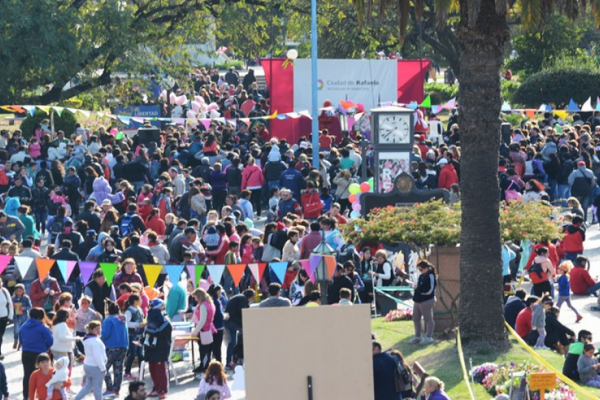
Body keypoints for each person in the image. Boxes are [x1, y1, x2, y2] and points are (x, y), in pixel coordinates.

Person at [20, 308, 54, 400]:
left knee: (27, 375)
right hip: (40, 353)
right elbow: (51, 341)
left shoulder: (23, 326)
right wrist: (45, 347)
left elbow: (21, 340)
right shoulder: (43, 327)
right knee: (40, 375)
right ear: (41, 316)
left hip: (26, 353)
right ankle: (39, 395)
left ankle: (26, 396)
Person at [144, 299, 172, 399]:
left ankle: (163, 390)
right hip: (151, 348)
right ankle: (156, 388)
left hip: (161, 347)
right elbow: (147, 330)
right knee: (152, 369)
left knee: (160, 369)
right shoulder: (150, 316)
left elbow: (161, 331)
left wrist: (151, 331)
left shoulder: (164, 319)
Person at [72, 321, 107, 400]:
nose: (99, 330)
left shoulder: (88, 338)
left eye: (99, 328)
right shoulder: (95, 341)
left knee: (88, 386)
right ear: (91, 330)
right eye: (96, 329)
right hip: (96, 366)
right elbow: (97, 356)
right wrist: (102, 368)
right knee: (97, 388)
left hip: (88, 365)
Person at [102, 301, 129, 397]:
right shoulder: (123, 319)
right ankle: (116, 389)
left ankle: (110, 388)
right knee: (118, 368)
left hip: (111, 346)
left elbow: (105, 334)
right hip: (123, 346)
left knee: (103, 368)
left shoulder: (108, 320)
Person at [224, 289, 255, 369]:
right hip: (232, 322)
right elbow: (243, 313)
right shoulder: (243, 299)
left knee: (233, 342)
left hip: (232, 322)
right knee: (236, 341)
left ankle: (231, 360)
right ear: (250, 297)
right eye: (252, 299)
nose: (251, 301)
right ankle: (229, 362)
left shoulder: (240, 297)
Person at [410, 261, 437, 345]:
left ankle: (429, 337)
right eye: (419, 270)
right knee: (415, 318)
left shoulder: (431, 276)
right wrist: (416, 287)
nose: (420, 271)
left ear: (426, 268)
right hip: (418, 300)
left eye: (421, 269)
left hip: (426, 300)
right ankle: (418, 336)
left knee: (428, 318)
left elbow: (430, 290)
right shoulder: (421, 276)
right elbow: (419, 286)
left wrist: (420, 291)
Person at [191, 288, 216, 378]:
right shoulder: (209, 303)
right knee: (206, 351)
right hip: (209, 330)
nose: (195, 299)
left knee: (204, 352)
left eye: (196, 297)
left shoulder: (203, 306)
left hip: (204, 331)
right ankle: (203, 368)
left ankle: (205, 371)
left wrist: (194, 332)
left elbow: (202, 320)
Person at [124, 294, 145, 380]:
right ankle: (127, 372)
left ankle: (141, 372)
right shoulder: (129, 311)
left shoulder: (139, 309)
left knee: (141, 354)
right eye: (140, 299)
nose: (141, 301)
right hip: (132, 335)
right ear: (135, 301)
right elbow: (127, 323)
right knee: (132, 354)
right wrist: (137, 325)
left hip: (140, 335)